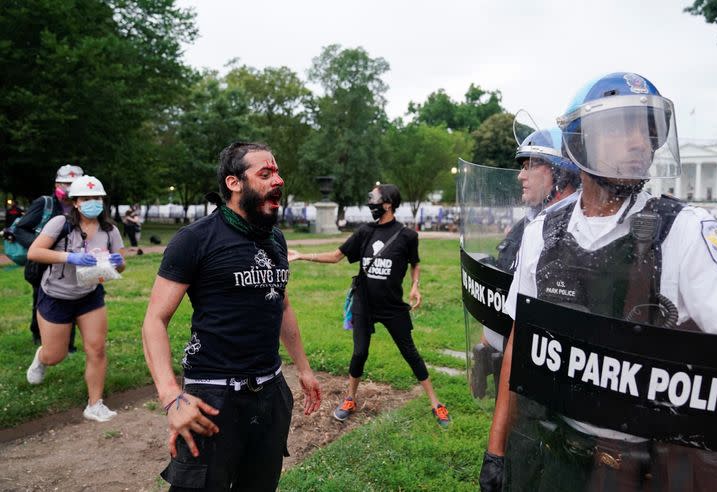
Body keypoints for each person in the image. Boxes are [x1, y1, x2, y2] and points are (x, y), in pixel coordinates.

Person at [480, 72, 717, 491]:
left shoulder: (686, 231)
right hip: (556, 454)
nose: (640, 142)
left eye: (646, 130)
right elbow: (520, 339)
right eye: (623, 128)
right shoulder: (543, 233)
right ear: (580, 141)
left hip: (644, 471)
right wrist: (495, 451)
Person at [141, 142, 322, 491]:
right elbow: (154, 319)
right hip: (212, 400)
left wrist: (303, 368)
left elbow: (281, 305)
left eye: (278, 172)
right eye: (265, 174)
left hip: (271, 393)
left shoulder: (276, 240)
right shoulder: (195, 240)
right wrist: (170, 396)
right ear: (234, 183)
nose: (278, 180)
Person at [288, 184, 451, 427]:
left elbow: (414, 263)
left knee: (410, 353)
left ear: (387, 204)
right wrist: (302, 256)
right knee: (359, 353)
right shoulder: (365, 232)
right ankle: (350, 399)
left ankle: (435, 403)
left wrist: (415, 285)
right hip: (364, 303)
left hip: (393, 306)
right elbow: (336, 256)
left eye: (373, 198)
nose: (369, 202)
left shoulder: (407, 236)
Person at [471, 128, 581, 398]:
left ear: (560, 171)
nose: (520, 175)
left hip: (549, 382)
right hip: (509, 368)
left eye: (530, 165)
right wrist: (486, 345)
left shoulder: (579, 231)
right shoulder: (525, 226)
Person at [25, 175, 125, 422]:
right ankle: (41, 358)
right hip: (56, 296)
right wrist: (70, 258)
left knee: (97, 349)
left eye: (97, 198)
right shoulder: (60, 223)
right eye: (87, 198)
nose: (93, 202)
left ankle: (94, 404)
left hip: (89, 295)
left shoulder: (110, 230)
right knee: (56, 355)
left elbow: (121, 264)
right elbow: (34, 252)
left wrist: (117, 262)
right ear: (76, 202)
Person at [13, 164, 83, 349]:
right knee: (42, 300)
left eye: (73, 184)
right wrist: (41, 246)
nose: (68, 188)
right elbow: (20, 229)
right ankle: (39, 335)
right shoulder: (45, 203)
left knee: (71, 298)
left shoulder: (82, 206)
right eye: (65, 183)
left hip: (71, 263)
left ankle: (68, 344)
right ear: (56, 184)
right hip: (43, 264)